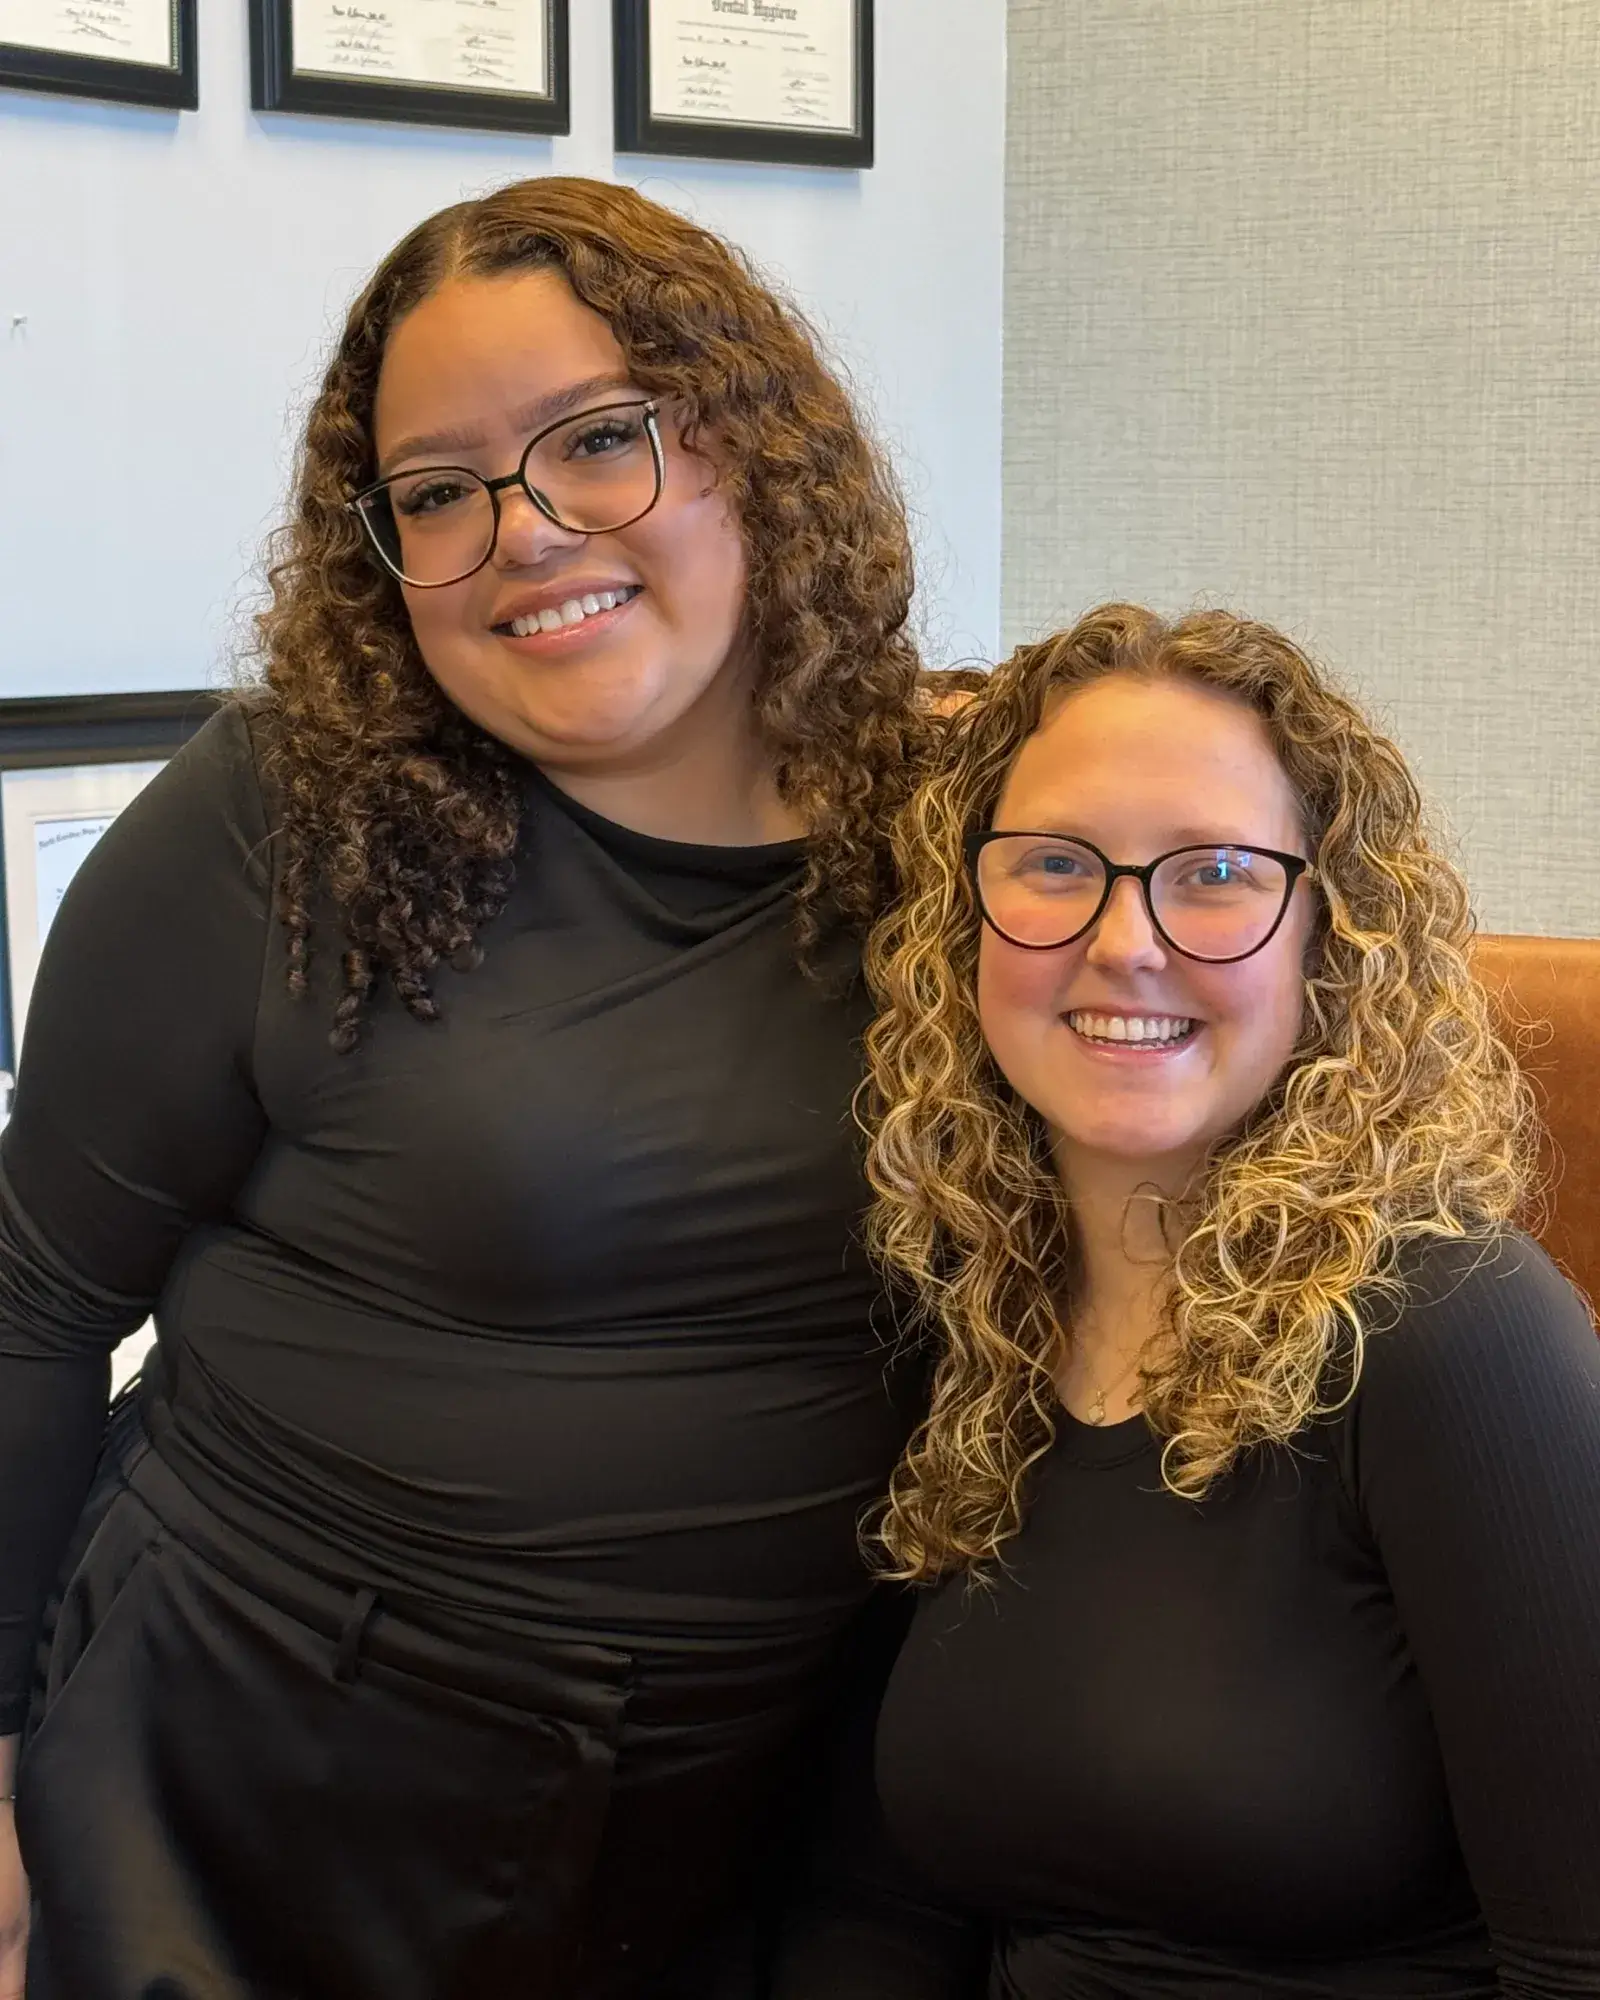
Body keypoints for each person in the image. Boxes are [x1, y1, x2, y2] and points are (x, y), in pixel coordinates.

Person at [0, 176, 953, 2000]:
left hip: (737, 1828)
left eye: (598, 441)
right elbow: (29, 1305)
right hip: (242, 1782)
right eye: (436, 491)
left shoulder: (969, 850)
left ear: (752, 443)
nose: (524, 530)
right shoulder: (283, 819)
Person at [777, 604, 1600, 1998]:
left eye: (1214, 872)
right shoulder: (968, 1319)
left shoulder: (1451, 1331)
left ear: (1330, 936)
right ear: (962, 917)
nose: (1124, 939)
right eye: (1053, 864)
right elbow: (880, 1900)